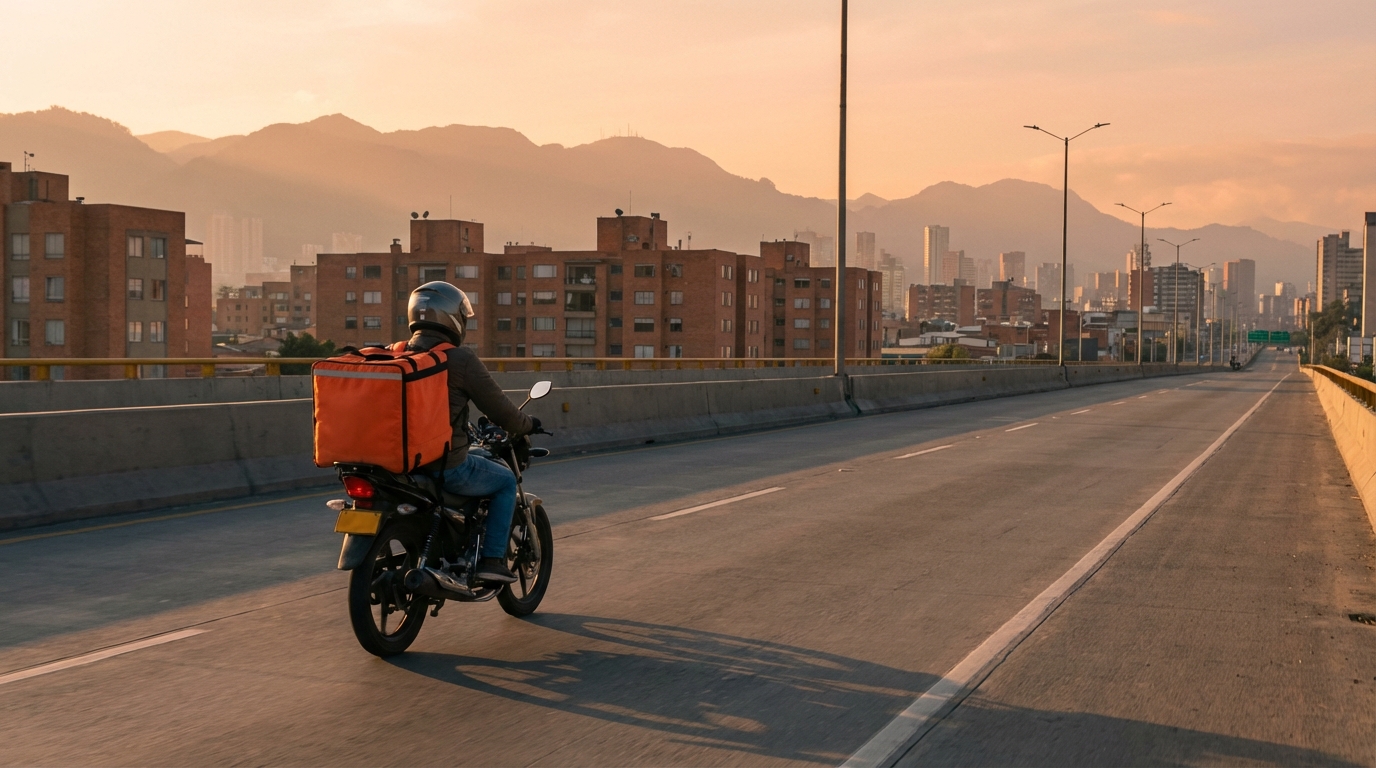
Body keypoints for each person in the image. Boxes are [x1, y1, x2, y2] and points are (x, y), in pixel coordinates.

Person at [402, 281, 539, 584]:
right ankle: (491, 559)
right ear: (453, 319)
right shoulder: (460, 360)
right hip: (443, 466)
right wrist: (528, 424)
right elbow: (501, 410)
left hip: (398, 463)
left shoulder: (397, 356)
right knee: (504, 481)